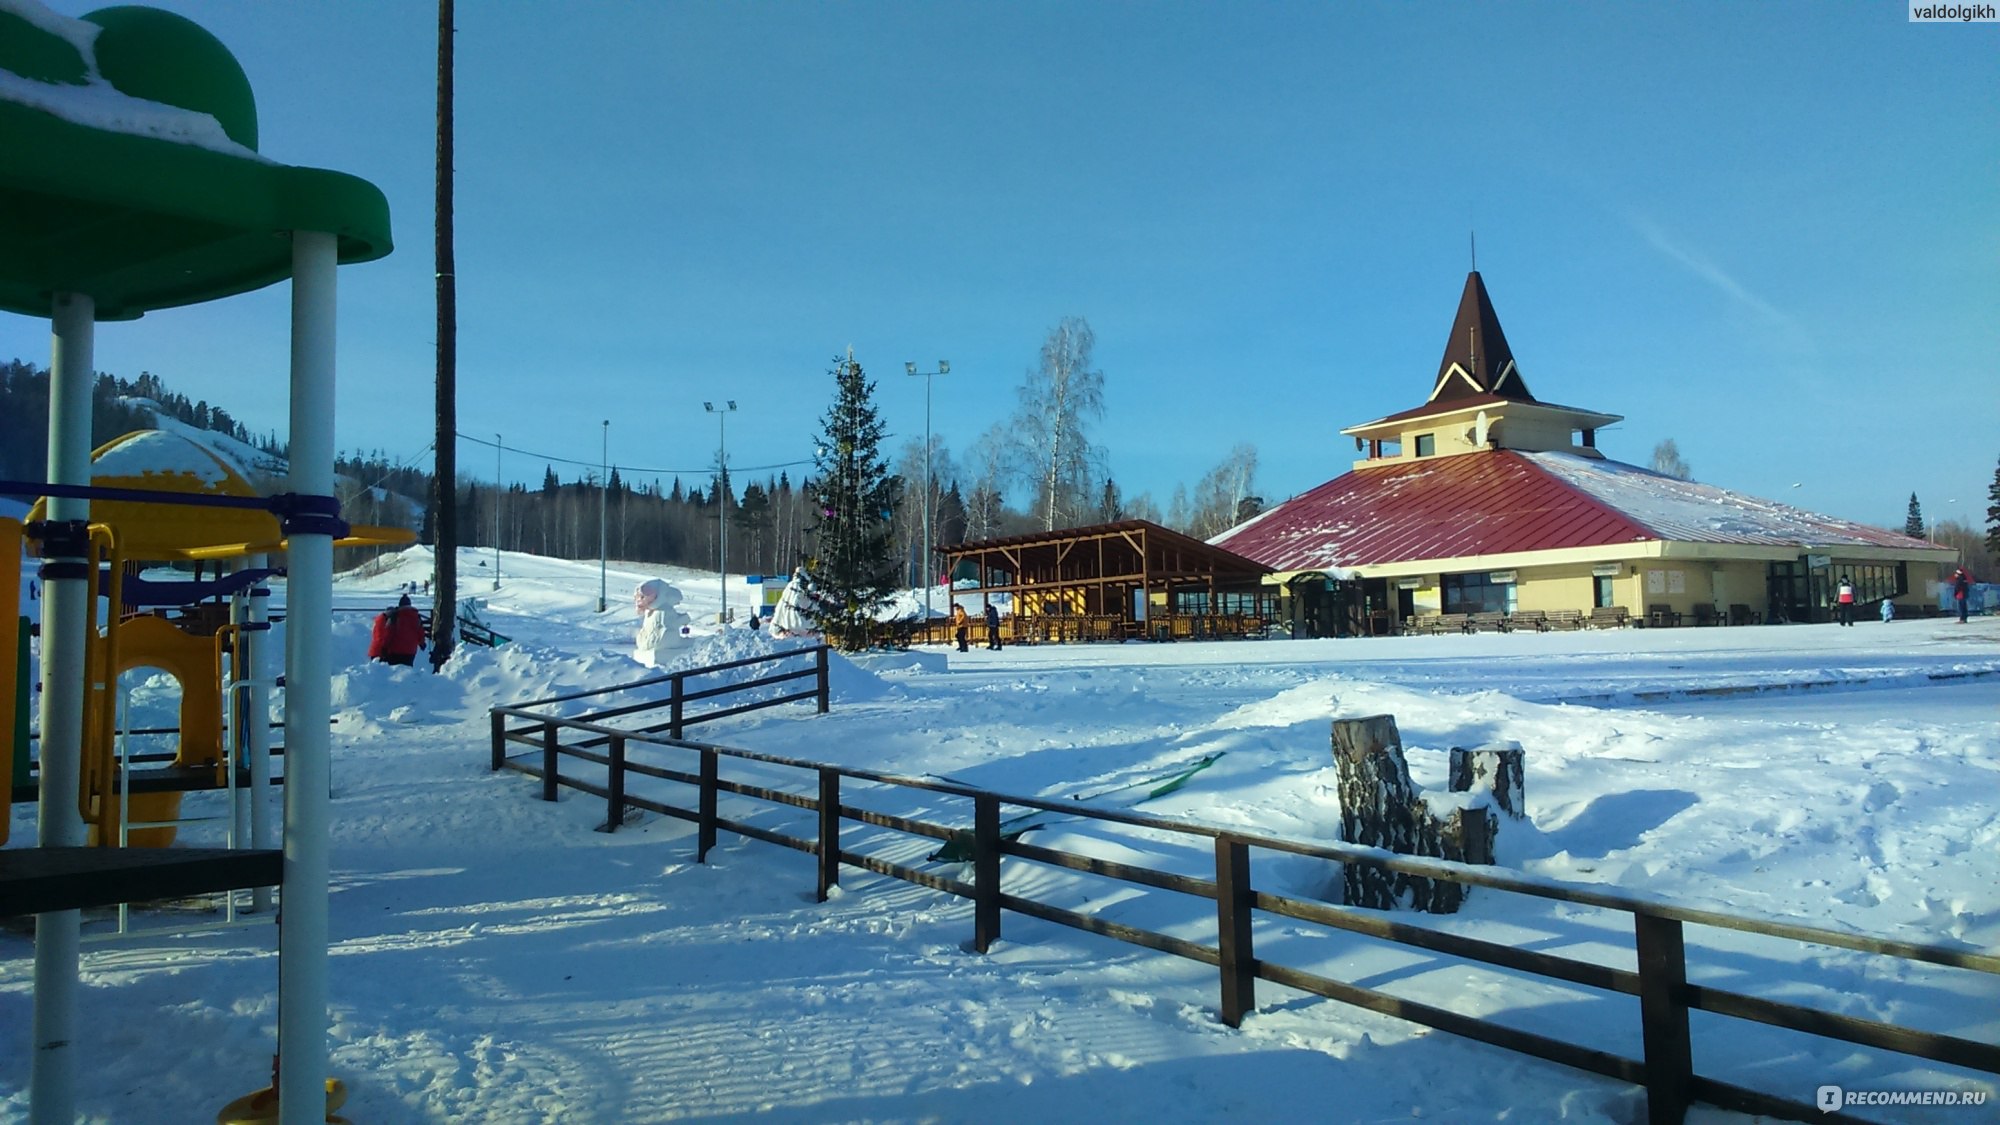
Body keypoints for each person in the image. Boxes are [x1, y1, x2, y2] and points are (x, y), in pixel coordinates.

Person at [369, 594, 427, 666]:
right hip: (411, 651)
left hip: (396, 651)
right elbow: (420, 632)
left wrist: (384, 647)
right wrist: (422, 643)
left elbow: (389, 632)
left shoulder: (395, 616)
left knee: (395, 673)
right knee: (407, 671)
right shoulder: (416, 617)